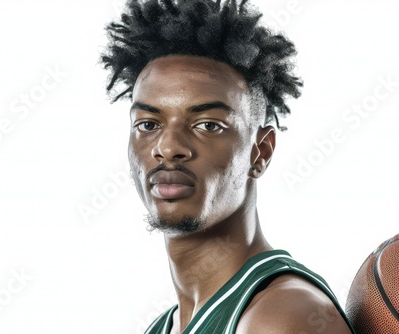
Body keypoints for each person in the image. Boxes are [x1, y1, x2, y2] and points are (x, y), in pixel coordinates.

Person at [101, 0, 356, 333]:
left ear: (260, 152)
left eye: (208, 125)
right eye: (148, 124)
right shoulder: (163, 326)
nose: (168, 147)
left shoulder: (281, 317)